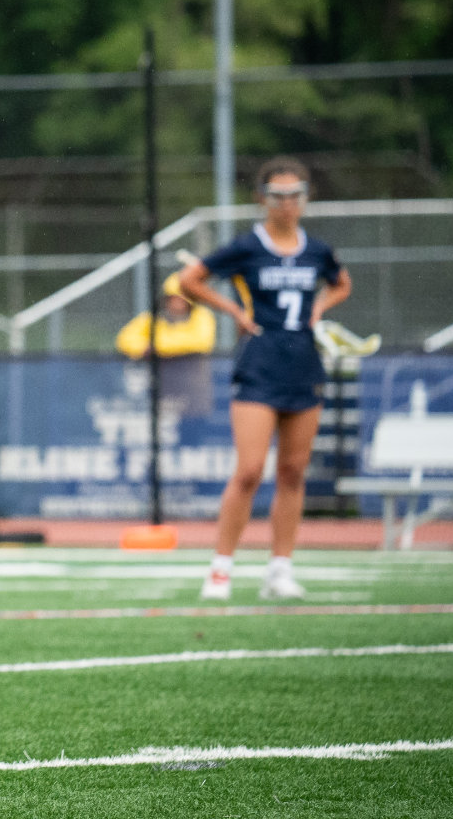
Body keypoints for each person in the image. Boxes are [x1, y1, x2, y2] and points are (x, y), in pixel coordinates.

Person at [176, 157, 351, 602]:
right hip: (259, 364)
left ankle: (280, 568)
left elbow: (341, 282)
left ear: (306, 198)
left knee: (292, 471)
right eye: (278, 195)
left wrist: (319, 309)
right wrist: (233, 310)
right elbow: (189, 278)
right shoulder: (246, 247)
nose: (287, 204)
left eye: (296, 195)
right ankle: (220, 570)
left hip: (303, 365)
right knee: (251, 470)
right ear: (262, 199)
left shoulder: (317, 250)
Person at [115, 272, 217, 418]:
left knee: (193, 431)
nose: (178, 303)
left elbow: (199, 341)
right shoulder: (154, 319)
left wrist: (156, 347)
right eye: (174, 298)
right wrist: (144, 348)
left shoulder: (201, 316)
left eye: (182, 299)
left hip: (192, 395)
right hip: (163, 392)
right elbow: (125, 339)